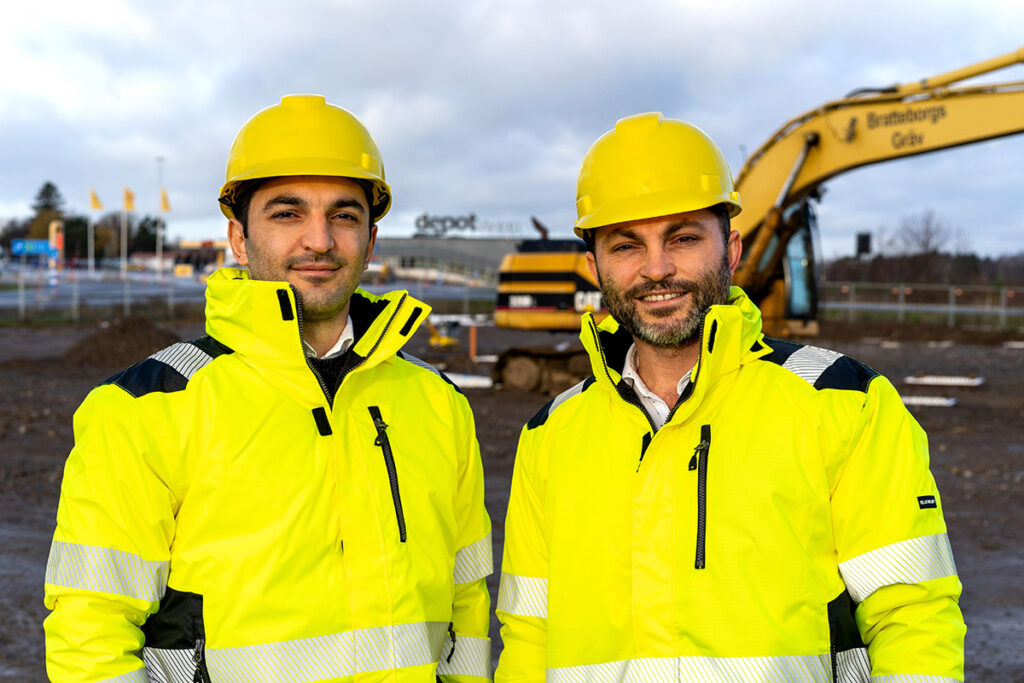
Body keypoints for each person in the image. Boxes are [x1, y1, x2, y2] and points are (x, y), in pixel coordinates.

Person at [495, 113, 964, 682]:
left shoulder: (843, 402)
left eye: (684, 237)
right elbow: (528, 634)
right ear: (593, 266)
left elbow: (913, 618)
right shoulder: (551, 435)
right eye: (627, 246)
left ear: (732, 247)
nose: (657, 268)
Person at [44, 95, 492, 683]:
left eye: (344, 215)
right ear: (238, 236)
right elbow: (90, 634)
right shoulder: (146, 408)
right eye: (287, 213)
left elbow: (467, 609)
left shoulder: (439, 403)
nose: (320, 240)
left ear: (371, 241)